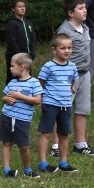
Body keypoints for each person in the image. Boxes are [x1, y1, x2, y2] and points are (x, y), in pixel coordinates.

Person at [56, 0, 94, 157]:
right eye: (80, 8)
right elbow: (59, 55)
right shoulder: (64, 31)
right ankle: (55, 146)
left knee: (82, 109)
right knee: (62, 110)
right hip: (67, 75)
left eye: (85, 7)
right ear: (70, 13)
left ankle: (80, 144)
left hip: (84, 73)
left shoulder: (85, 28)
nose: (85, 10)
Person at [36, 34, 78, 173]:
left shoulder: (72, 66)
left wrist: (71, 87)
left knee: (64, 134)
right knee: (47, 133)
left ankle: (63, 162)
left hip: (66, 104)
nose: (67, 51)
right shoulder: (48, 66)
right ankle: (43, 163)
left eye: (69, 48)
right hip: (50, 103)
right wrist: (40, 99)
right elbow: (40, 83)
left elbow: (72, 80)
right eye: (63, 48)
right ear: (54, 50)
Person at [0, 53, 43, 178]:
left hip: (22, 120)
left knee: (24, 146)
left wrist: (20, 97)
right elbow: (4, 97)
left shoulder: (34, 83)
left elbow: (37, 100)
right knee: (7, 142)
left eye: (12, 66)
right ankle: (7, 169)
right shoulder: (12, 82)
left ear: (22, 67)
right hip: (7, 116)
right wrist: (6, 99)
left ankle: (27, 169)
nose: (10, 68)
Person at [3, 0, 36, 83]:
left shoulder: (28, 23)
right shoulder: (11, 23)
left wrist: (32, 53)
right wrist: (20, 56)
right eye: (19, 6)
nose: (23, 8)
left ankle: (25, 95)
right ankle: (11, 95)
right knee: (14, 79)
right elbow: (12, 41)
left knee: (26, 78)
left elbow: (33, 39)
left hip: (27, 57)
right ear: (13, 9)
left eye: (24, 6)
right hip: (15, 57)